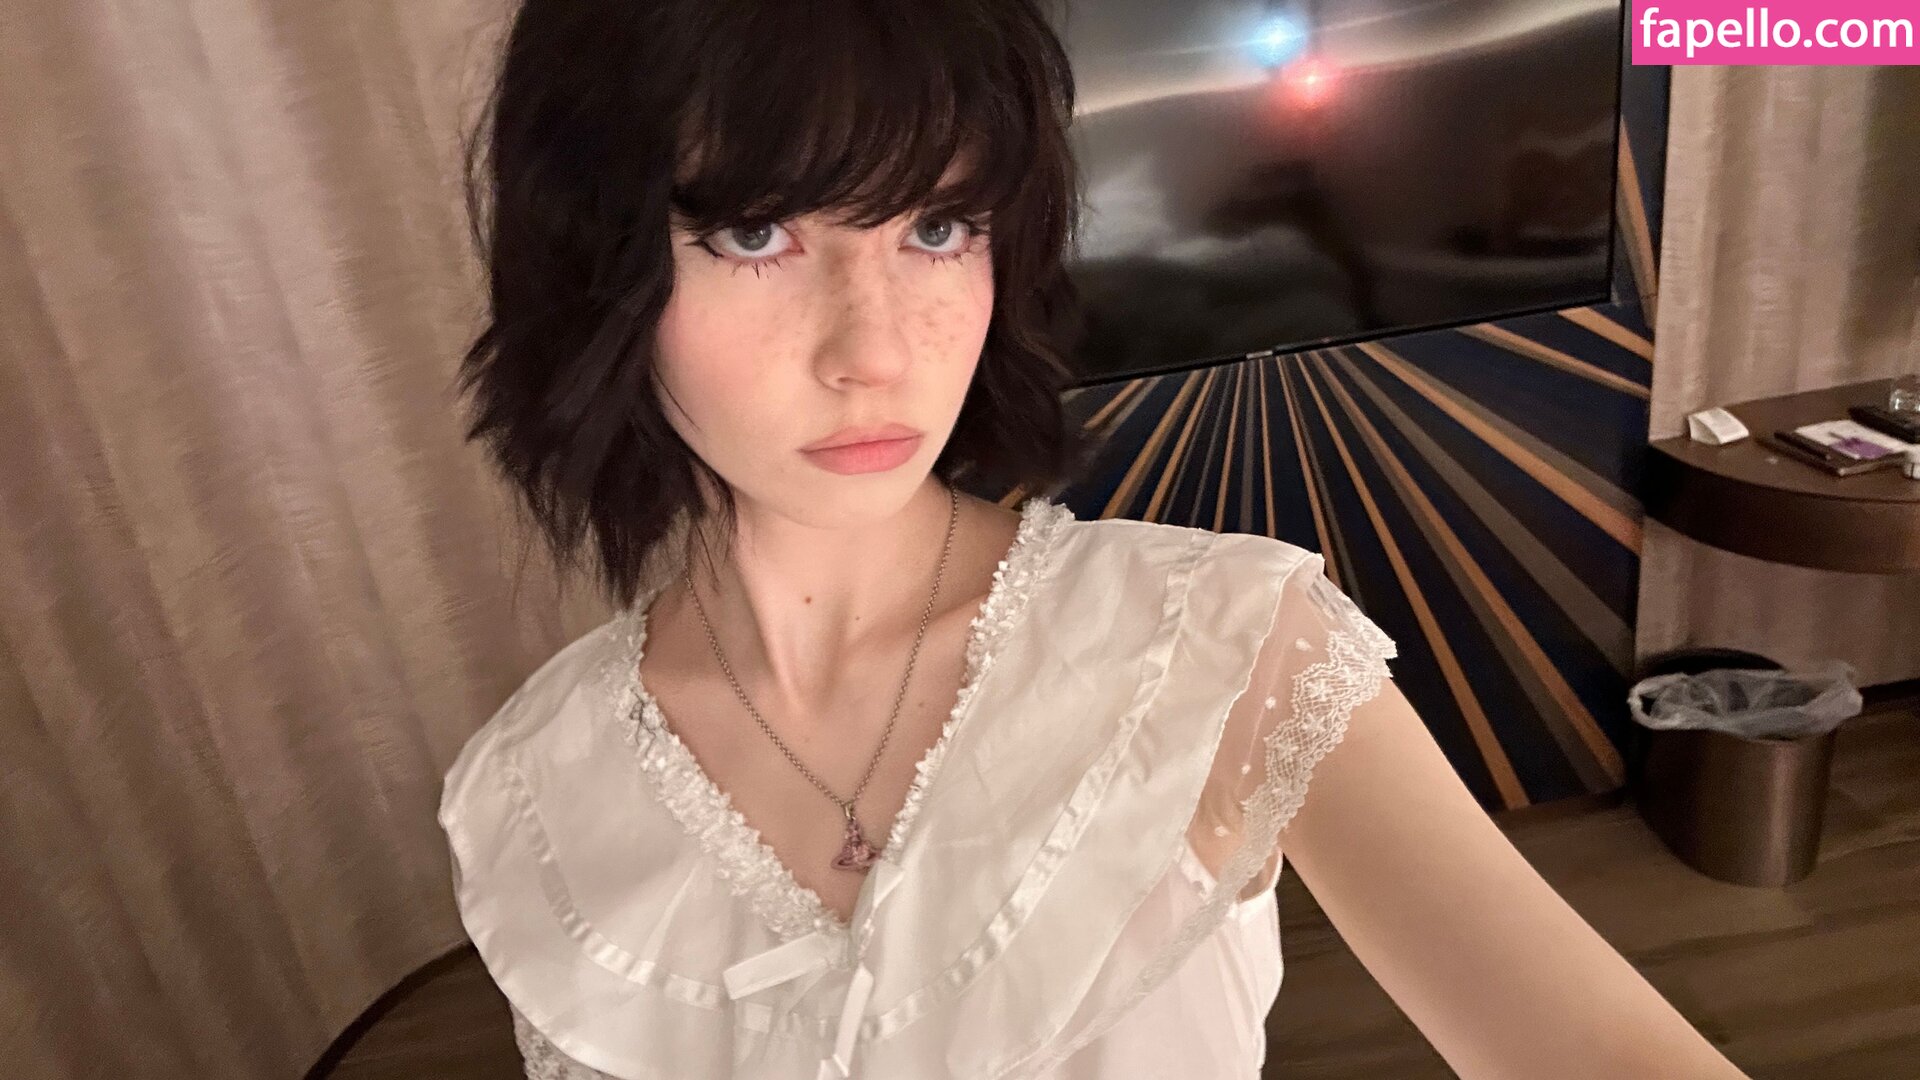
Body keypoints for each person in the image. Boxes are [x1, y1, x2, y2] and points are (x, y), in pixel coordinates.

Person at [435, 2, 1752, 1078]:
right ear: (592, 267)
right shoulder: (530, 792)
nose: (874, 352)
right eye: (754, 231)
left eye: (937, 227)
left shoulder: (1233, 651)